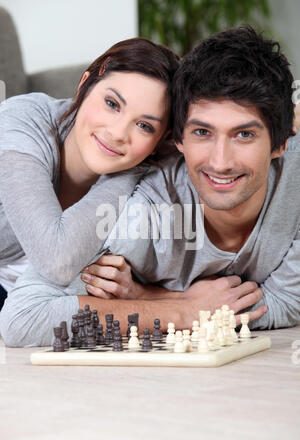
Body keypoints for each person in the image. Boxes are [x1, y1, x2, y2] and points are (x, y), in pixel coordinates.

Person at [1, 26, 300, 347]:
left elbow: (287, 300)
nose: (221, 161)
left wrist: (154, 296)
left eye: (244, 135)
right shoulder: (22, 125)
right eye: (202, 132)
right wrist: (180, 311)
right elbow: (34, 303)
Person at [0, 37, 179, 310]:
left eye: (144, 125)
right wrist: (132, 171)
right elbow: (57, 262)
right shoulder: (20, 122)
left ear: (161, 139)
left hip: (33, 298)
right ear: (84, 84)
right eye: (112, 104)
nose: (118, 133)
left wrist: (139, 291)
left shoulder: (155, 172)